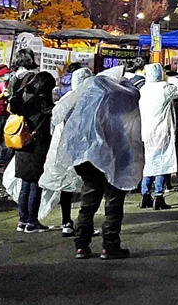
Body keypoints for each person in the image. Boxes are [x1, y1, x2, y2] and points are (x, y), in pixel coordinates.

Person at [61, 72, 145, 260]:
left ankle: (81, 245)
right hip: (114, 160)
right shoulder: (116, 113)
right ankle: (110, 245)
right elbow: (132, 98)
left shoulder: (83, 109)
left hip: (87, 163)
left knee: (88, 203)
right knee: (113, 203)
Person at [40, 67, 93, 237]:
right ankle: (85, 224)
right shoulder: (90, 99)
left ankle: (66, 221)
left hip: (61, 148)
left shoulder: (66, 99)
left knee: (66, 187)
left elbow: (54, 122)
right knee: (89, 186)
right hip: (83, 148)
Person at [9, 71, 56, 233]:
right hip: (36, 145)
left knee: (25, 185)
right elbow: (53, 112)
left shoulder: (21, 95)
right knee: (35, 184)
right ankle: (32, 222)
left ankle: (22, 220)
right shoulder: (41, 100)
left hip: (21, 144)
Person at [138, 63, 178, 211]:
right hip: (162, 131)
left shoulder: (143, 89)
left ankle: (145, 193)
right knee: (162, 162)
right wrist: (171, 78)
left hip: (146, 131)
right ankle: (158, 195)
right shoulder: (164, 88)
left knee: (149, 162)